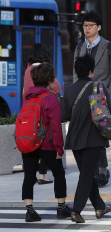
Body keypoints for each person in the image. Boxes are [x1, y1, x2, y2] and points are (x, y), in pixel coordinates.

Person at [60, 55, 111, 223]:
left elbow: (64, 115)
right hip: (94, 138)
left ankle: (100, 207)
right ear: (91, 71)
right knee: (86, 175)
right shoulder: (99, 87)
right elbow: (109, 109)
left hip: (75, 138)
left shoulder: (68, 90)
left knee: (87, 174)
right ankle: (76, 210)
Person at [73, 11, 111, 186]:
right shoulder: (79, 48)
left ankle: (101, 170)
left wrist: (108, 97)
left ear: (98, 27)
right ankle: (93, 170)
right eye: (85, 25)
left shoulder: (109, 47)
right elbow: (75, 74)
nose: (87, 28)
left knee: (100, 134)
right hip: (83, 98)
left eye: (90, 25)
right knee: (87, 135)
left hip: (101, 98)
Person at [21, 63, 71, 222]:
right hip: (46, 143)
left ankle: (29, 211)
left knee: (29, 176)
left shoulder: (28, 97)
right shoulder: (50, 99)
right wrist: (59, 148)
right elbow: (55, 126)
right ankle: (62, 208)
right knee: (59, 173)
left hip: (29, 141)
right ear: (50, 80)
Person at [23, 44, 61, 185]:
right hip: (44, 110)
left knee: (34, 140)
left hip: (30, 111)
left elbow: (24, 92)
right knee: (45, 141)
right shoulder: (46, 69)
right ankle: (42, 175)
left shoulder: (28, 70)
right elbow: (57, 89)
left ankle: (32, 175)